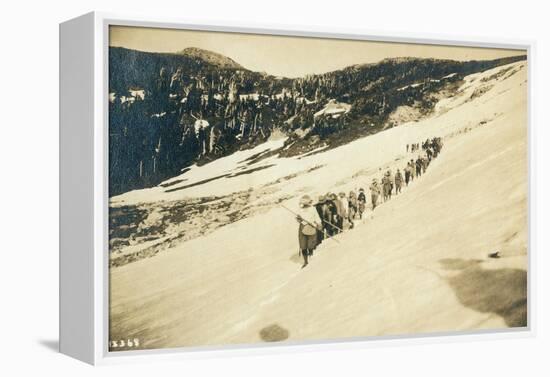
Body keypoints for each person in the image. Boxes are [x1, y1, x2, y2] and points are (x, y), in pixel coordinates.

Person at [296, 195, 322, 268]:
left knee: (310, 244)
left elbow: (317, 218)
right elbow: (298, 219)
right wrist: (299, 219)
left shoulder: (313, 209)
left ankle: (310, 252)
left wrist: (319, 224)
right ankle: (305, 261)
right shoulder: (300, 210)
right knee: (303, 245)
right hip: (302, 227)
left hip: (311, 226)